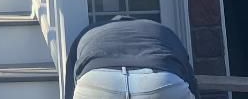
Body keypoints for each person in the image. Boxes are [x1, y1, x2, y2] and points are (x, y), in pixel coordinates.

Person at [65, 16, 200, 98]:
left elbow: (69, 91)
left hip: (96, 80)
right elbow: (190, 80)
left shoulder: (87, 33)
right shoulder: (162, 31)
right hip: (160, 81)